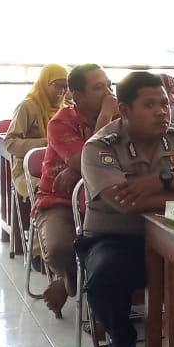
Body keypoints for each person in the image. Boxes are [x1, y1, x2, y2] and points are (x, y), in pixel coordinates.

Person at [78, 72, 174, 347]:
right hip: (117, 239)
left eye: (164, 104)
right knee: (104, 276)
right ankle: (121, 338)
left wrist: (165, 181)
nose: (162, 112)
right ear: (124, 110)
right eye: (149, 105)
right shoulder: (100, 147)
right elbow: (124, 203)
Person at [31, 64, 117, 318]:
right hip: (59, 200)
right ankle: (73, 282)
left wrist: (78, 169)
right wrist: (105, 118)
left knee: (115, 245)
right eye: (99, 87)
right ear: (77, 95)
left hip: (100, 197)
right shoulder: (61, 122)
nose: (108, 93)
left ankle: (78, 290)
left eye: (109, 85)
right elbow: (92, 162)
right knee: (59, 248)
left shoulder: (121, 118)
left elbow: (115, 163)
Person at [3, 64, 68, 201]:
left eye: (65, 87)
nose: (61, 91)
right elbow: (10, 143)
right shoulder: (27, 107)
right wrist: (47, 143)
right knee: (49, 188)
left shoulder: (65, 110)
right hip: (27, 171)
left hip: (58, 168)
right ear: (44, 83)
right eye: (57, 85)